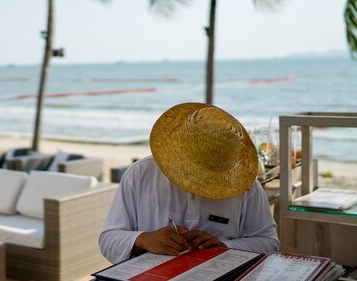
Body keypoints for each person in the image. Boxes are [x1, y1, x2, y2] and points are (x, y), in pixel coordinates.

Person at [99, 102, 279, 264]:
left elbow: (269, 243)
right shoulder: (141, 174)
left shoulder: (244, 186)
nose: (196, 183)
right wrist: (143, 240)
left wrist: (223, 247)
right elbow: (108, 240)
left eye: (207, 175)